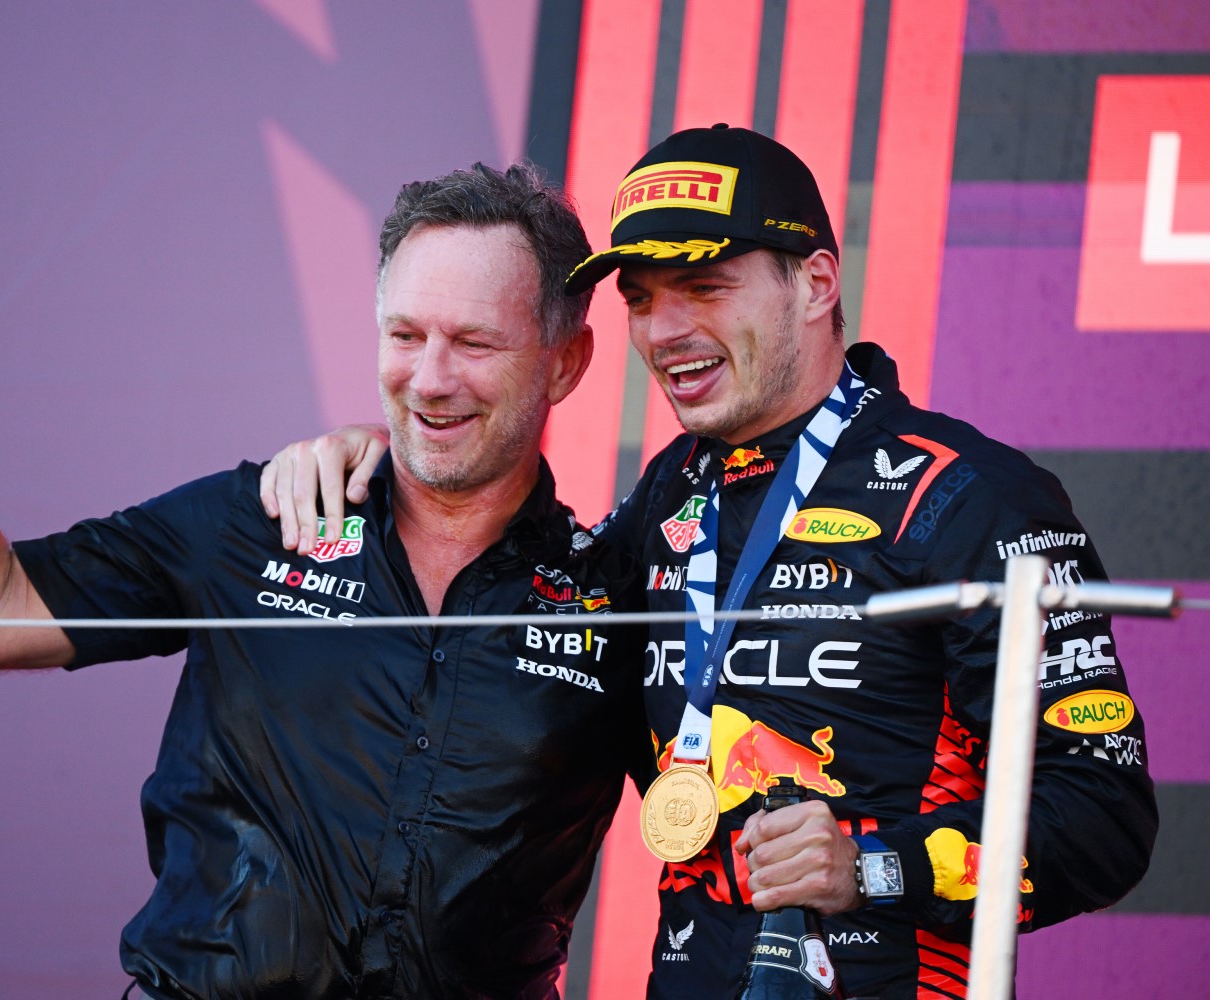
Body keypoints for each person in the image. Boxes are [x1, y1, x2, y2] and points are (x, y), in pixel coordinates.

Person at [265, 125, 1158, 998]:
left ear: (814, 283)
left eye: (704, 286)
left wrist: (870, 867)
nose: (665, 330)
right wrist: (384, 466)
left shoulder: (969, 498)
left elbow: (1104, 815)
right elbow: (523, 605)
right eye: (643, 298)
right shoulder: (670, 492)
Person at [0, 162, 654, 1000]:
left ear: (567, 363)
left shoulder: (618, 599)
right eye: (405, 335)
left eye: (476, 342)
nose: (429, 379)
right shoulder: (261, 517)